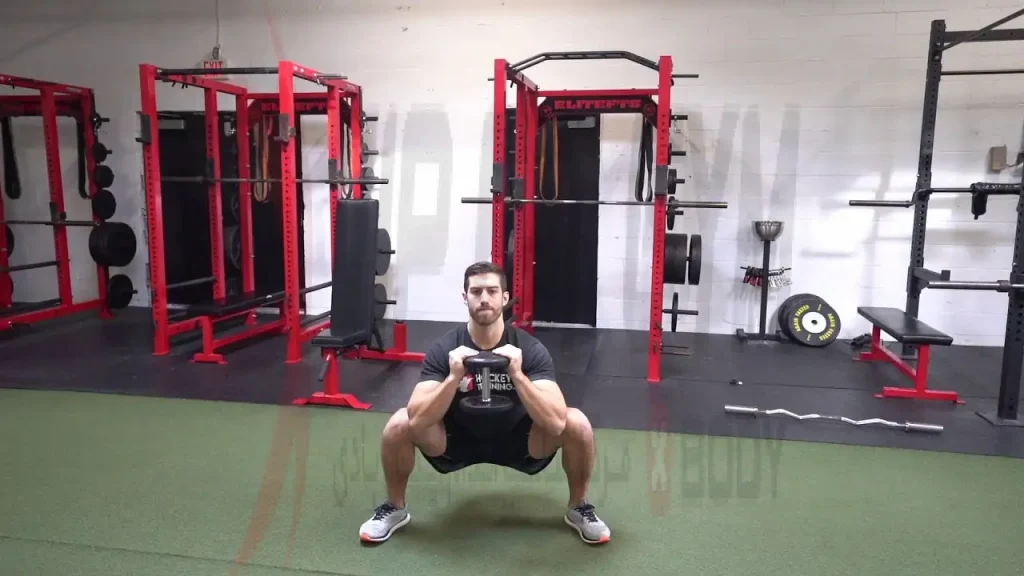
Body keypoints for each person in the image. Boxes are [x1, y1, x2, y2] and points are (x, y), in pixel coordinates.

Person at [358, 261, 611, 545]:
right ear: (465, 297)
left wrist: (517, 375)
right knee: (399, 424)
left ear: (505, 297)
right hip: (455, 440)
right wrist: (453, 377)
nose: (484, 299)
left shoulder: (529, 349)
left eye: (492, 291)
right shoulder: (445, 349)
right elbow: (417, 420)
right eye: (476, 292)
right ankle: (395, 507)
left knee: (577, 423)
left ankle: (579, 507)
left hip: (520, 440)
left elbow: (556, 422)